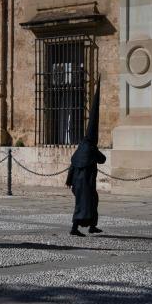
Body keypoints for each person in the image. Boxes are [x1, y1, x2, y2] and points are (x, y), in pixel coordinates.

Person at [66, 76, 105, 237]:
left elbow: (72, 165)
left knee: (92, 202)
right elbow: (102, 159)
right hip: (85, 184)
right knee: (83, 205)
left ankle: (92, 226)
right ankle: (74, 228)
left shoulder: (82, 147)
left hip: (78, 182)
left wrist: (69, 181)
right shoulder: (90, 148)